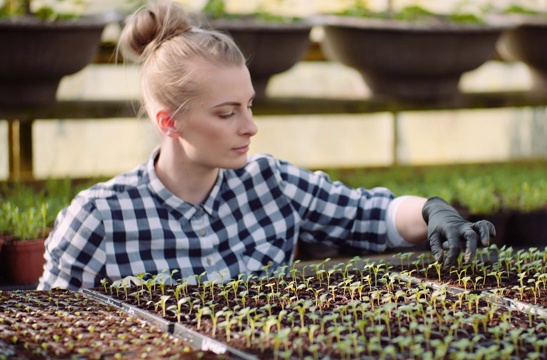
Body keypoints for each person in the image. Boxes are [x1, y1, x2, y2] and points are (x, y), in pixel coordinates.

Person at [37, 0, 495, 291]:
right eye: (226, 112)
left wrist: (434, 211)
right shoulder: (99, 218)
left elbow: (366, 215)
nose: (250, 127)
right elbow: (48, 334)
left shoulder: (269, 183)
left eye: (250, 105)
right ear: (169, 122)